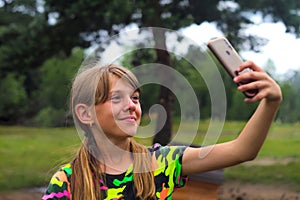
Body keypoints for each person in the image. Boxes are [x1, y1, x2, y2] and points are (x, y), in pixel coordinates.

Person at [42, 61, 282, 200]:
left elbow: (242, 150)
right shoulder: (67, 181)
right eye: (116, 98)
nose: (131, 106)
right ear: (85, 114)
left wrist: (271, 102)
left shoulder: (160, 162)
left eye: (135, 98)